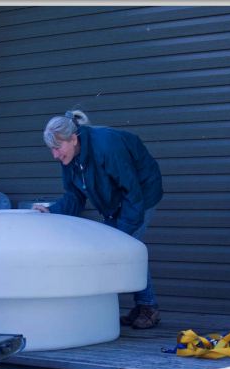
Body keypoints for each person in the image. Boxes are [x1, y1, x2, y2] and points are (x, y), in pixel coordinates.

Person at [33, 110, 163, 329]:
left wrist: (121, 234)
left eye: (58, 148)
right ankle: (142, 305)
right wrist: (52, 211)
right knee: (120, 248)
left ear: (73, 139)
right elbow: (74, 196)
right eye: (51, 150)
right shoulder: (70, 159)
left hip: (142, 192)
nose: (55, 155)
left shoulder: (107, 146)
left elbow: (133, 192)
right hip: (116, 198)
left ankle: (148, 307)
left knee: (127, 248)